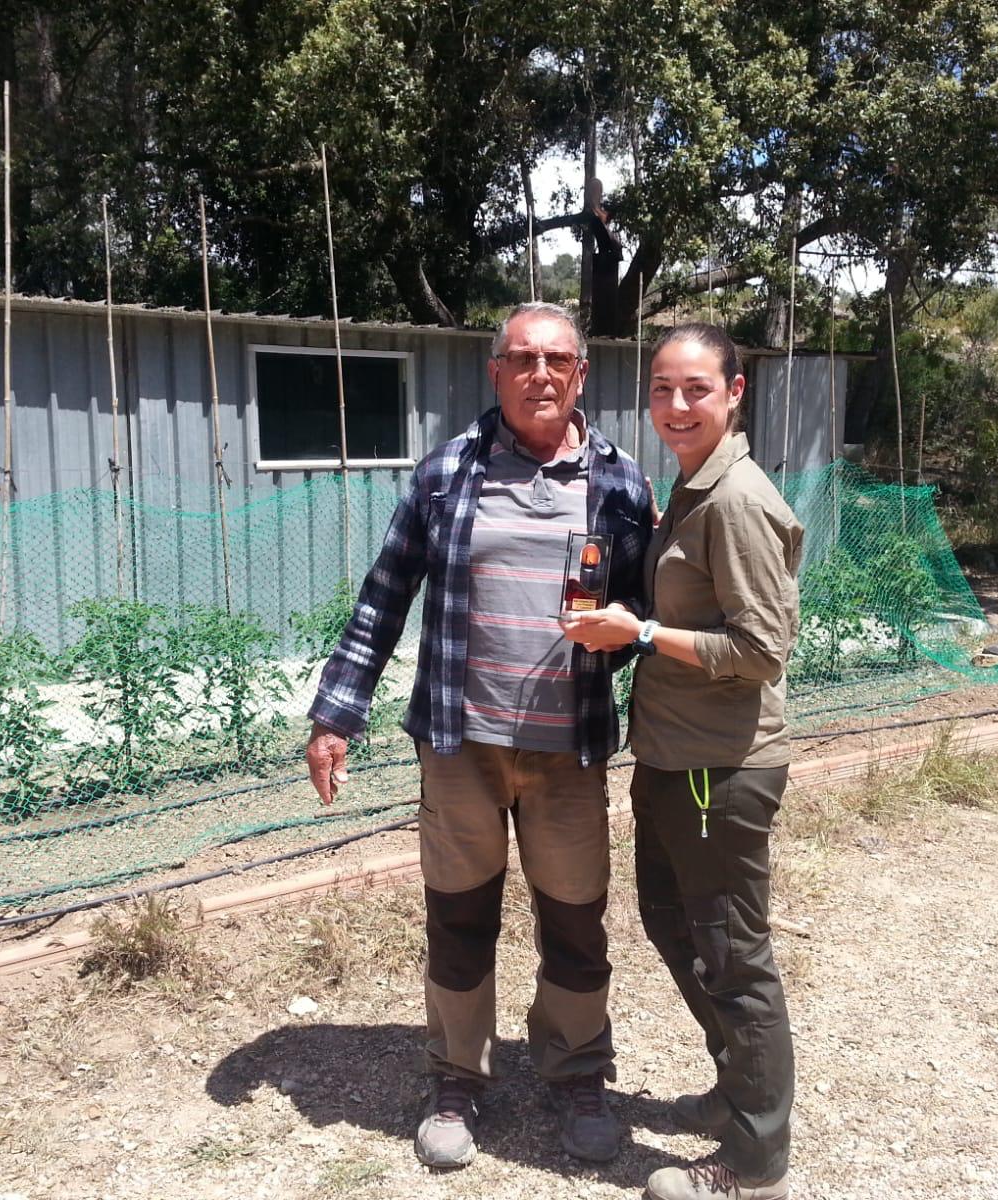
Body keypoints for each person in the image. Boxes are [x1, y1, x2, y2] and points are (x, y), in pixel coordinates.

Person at [305, 301, 653, 1169]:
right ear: (495, 372)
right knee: (459, 917)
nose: (541, 374)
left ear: (581, 375)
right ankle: (458, 1076)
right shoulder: (445, 475)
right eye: (522, 359)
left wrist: (623, 644)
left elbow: (644, 610)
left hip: (569, 747)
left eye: (558, 360)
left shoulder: (622, 484)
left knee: (575, 922)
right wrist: (337, 714)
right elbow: (384, 597)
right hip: (461, 744)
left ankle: (578, 1072)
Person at [562, 323, 803, 1200]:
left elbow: (762, 649)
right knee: (675, 927)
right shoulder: (692, 486)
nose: (675, 405)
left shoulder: (735, 499)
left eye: (696, 388)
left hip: (720, 765)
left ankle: (756, 1161)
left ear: (734, 393)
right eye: (662, 388)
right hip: (673, 755)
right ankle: (739, 1092)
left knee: (733, 956)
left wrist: (645, 634)